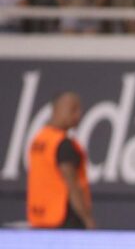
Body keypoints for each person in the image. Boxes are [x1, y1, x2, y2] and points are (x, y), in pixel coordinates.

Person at [27, 91, 95, 229]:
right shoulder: (62, 144)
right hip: (64, 219)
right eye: (73, 109)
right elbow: (72, 185)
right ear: (56, 109)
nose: (78, 115)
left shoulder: (39, 139)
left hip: (40, 218)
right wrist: (87, 219)